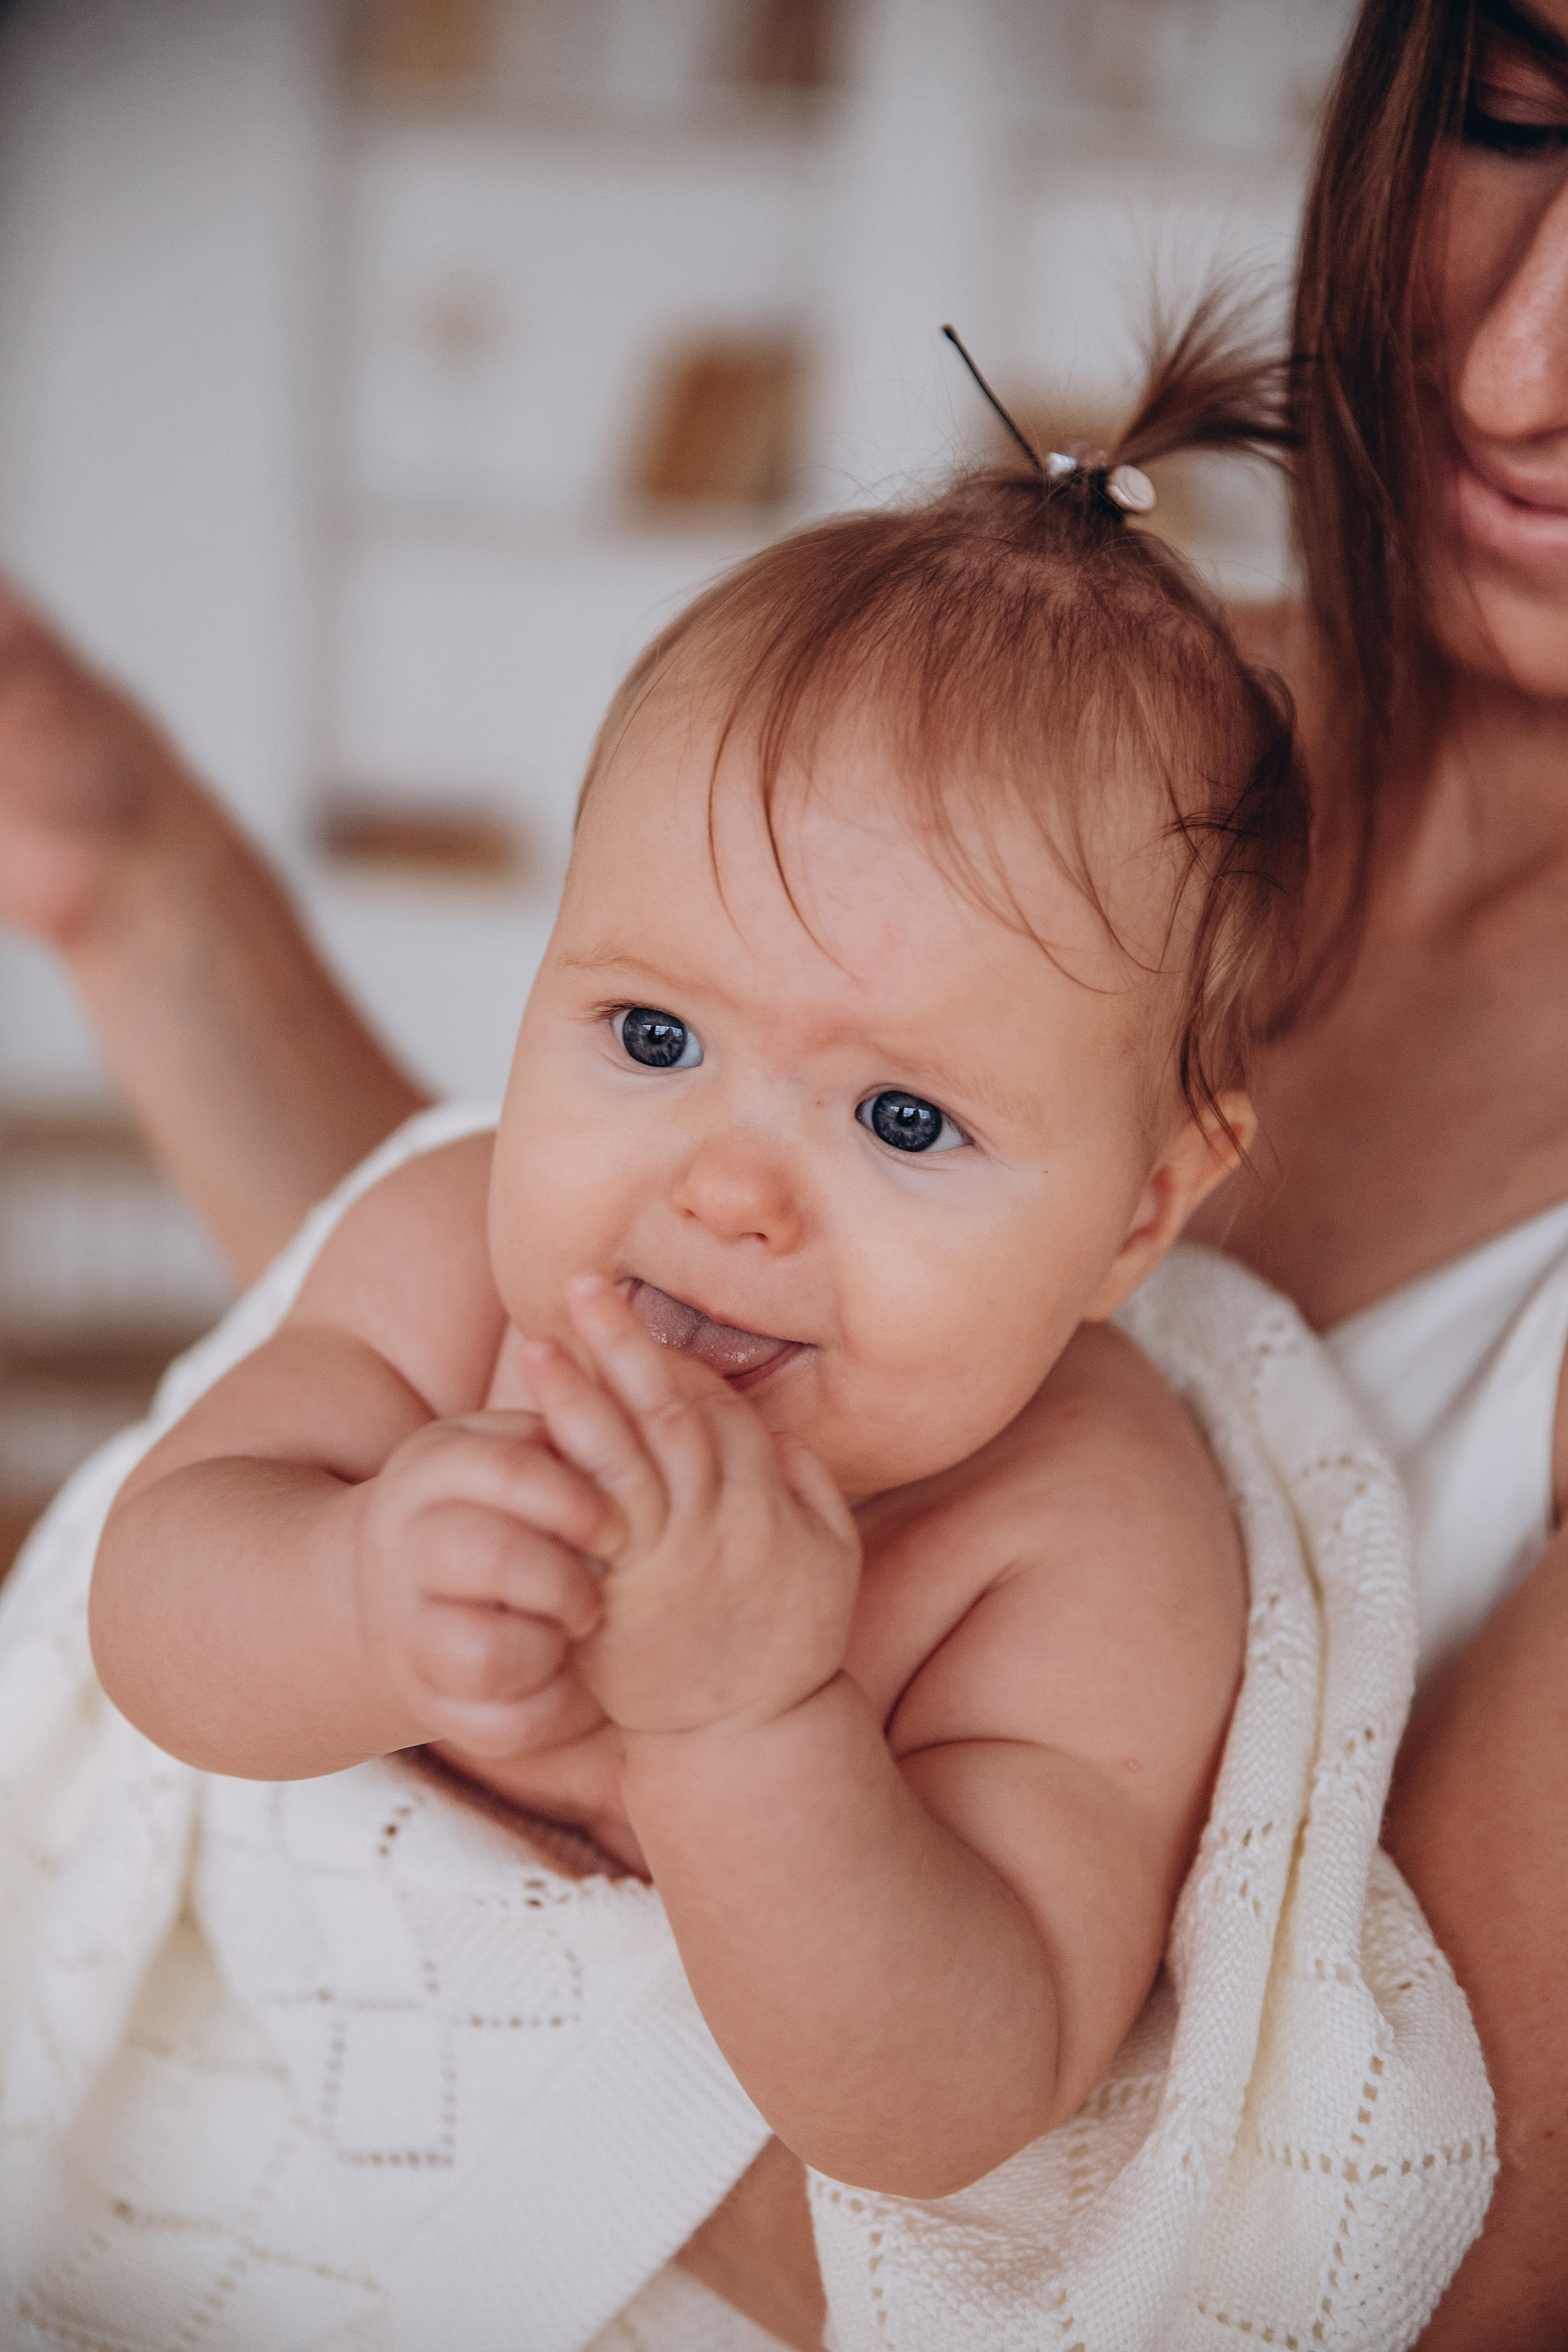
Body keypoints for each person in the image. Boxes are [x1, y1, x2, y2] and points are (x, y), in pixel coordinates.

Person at [2, 0, 1565, 2332]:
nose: (727, 1193)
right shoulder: (481, 1224)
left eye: (907, 1124)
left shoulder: (1095, 1533)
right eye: (651, 1039)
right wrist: (345, 1592)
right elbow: (159, 1602)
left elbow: (968, 2126)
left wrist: (750, 1727)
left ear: (1150, 1210)